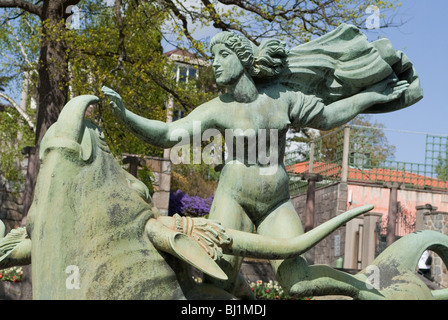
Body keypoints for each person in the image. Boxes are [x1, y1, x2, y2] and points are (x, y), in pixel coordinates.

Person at [103, 24, 422, 298]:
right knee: (219, 278)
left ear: (243, 59)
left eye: (223, 56)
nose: (215, 63)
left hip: (276, 202)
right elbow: (170, 133)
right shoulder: (218, 108)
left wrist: (372, 96)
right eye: (213, 57)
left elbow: (328, 116)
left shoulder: (281, 99)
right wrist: (126, 115)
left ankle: (362, 289)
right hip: (234, 198)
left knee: (297, 284)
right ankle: (242, 293)